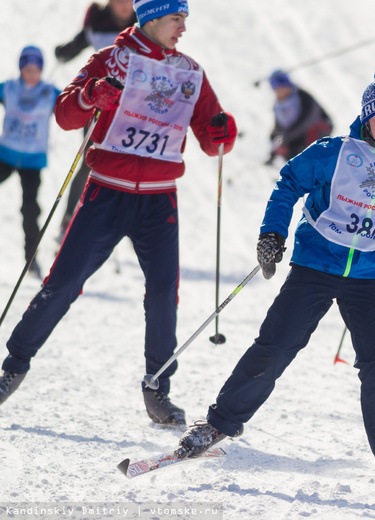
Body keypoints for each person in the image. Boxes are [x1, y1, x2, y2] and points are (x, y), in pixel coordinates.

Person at [175, 67, 375, 489]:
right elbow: (288, 182)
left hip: (369, 277)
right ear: (367, 118)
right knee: (275, 346)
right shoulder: (335, 152)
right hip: (315, 266)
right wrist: (272, 233)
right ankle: (218, 424)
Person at [0, 0, 238, 429]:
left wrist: (224, 131)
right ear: (150, 18)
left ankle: (157, 389)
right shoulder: (111, 59)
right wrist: (92, 95)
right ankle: (13, 366)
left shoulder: (190, 72)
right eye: (175, 18)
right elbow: (65, 114)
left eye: (185, 18)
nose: (183, 27)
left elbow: (211, 136)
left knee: (164, 293)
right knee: (64, 284)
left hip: (159, 200)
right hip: (106, 193)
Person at [54, 0, 137, 239]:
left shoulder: (140, 28)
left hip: (131, 108)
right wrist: (62, 52)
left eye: (129, 2)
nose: (124, 7)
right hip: (100, 106)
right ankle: (68, 220)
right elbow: (75, 46)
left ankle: (134, 225)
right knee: (89, 162)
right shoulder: (96, 25)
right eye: (119, 2)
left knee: (132, 164)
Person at [0, 46, 61, 279]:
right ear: (21, 69)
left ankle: (31, 260)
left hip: (33, 160)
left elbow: (72, 106)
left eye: (36, 70)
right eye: (27, 69)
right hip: (5, 154)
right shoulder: (10, 88)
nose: (32, 74)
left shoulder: (49, 92)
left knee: (30, 210)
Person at [265, 70, 332, 164]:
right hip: (296, 133)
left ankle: (315, 167)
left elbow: (308, 121)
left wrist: (287, 136)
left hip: (318, 128)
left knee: (303, 147)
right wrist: (275, 139)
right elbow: (279, 126)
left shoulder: (302, 97)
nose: (281, 91)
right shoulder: (278, 106)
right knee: (288, 148)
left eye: (283, 87)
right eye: (278, 89)